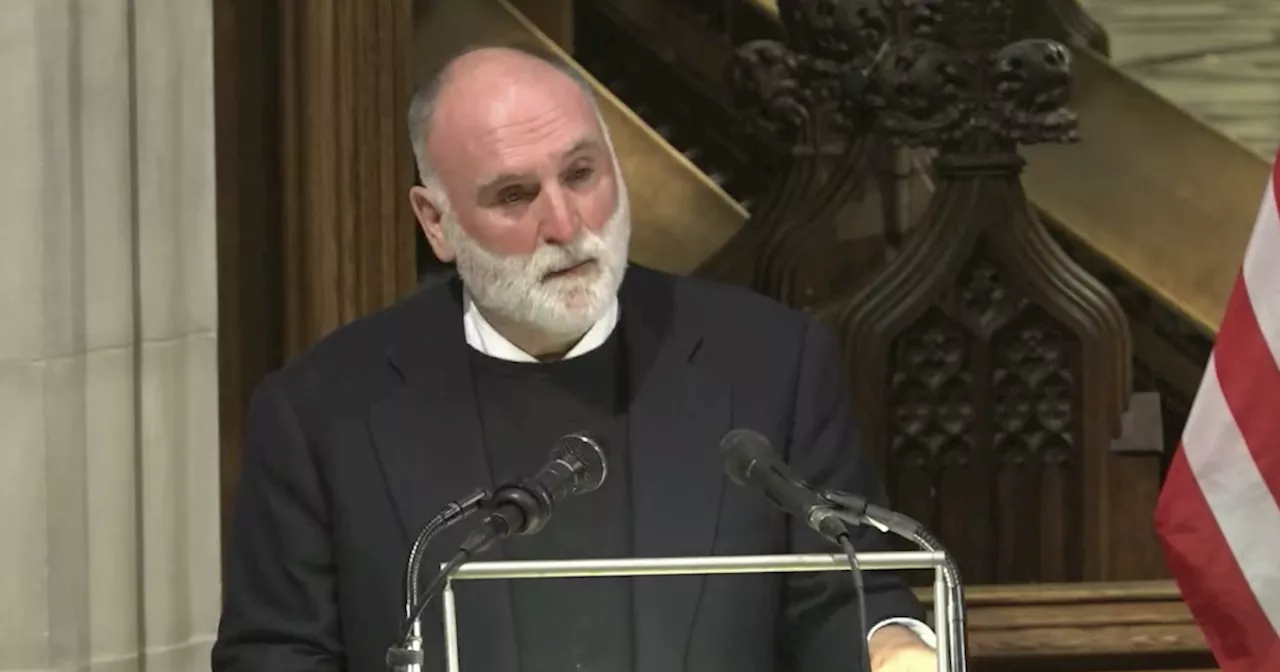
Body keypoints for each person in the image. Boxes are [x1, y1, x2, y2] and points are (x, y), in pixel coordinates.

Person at [212, 45, 939, 672]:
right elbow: (276, 653)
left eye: (582, 174)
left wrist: (896, 644)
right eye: (514, 195)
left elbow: (849, 593)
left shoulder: (769, 364)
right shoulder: (321, 414)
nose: (564, 224)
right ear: (436, 222)